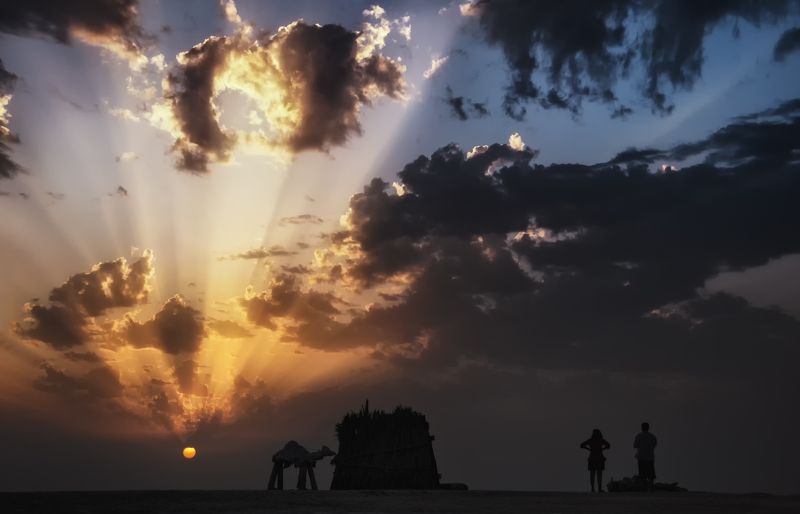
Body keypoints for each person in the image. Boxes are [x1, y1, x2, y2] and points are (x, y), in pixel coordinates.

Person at [580, 428, 611, 493]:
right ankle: (599, 488)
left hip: (592, 458)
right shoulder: (601, 440)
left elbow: (582, 445)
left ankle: (592, 488)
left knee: (592, 474)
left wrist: (588, 449)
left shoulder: (591, 440)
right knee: (599, 474)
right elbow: (608, 445)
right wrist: (603, 448)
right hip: (599, 458)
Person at [634, 422, 657, 490]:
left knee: (642, 474)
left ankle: (644, 487)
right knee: (651, 474)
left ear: (641, 428)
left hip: (641, 457)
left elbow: (635, 445)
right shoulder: (652, 436)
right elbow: (655, 445)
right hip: (650, 457)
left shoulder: (638, 436)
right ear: (648, 428)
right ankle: (651, 486)